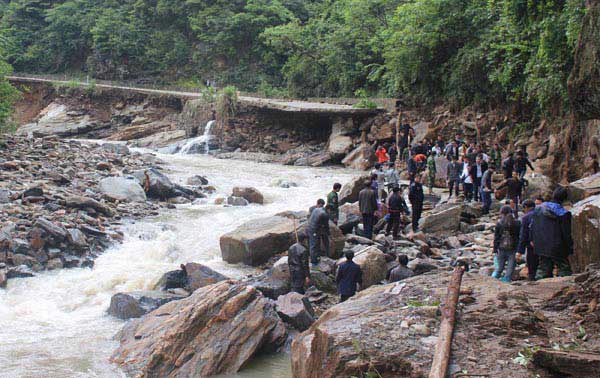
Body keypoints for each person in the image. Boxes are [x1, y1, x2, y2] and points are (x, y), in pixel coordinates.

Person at [530, 187, 573, 279]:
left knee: (543, 268)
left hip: (541, 244)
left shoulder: (538, 208)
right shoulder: (564, 214)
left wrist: (533, 240)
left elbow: (532, 226)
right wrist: (570, 246)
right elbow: (566, 233)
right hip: (558, 246)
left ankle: (539, 287)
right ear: (565, 199)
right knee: (564, 270)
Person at [492, 205, 522, 282]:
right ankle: (506, 280)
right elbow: (520, 237)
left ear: (502, 213)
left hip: (501, 247)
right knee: (510, 268)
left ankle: (493, 279)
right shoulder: (517, 223)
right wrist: (520, 249)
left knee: (499, 267)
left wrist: (495, 249)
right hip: (513, 248)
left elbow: (496, 238)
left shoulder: (499, 223)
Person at [518, 199, 537, 281]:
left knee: (532, 264)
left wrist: (520, 251)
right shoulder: (540, 214)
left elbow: (524, 235)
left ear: (526, 207)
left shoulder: (526, 217)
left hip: (531, 244)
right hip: (544, 243)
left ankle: (532, 280)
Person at [307, 199, 330, 266]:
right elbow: (326, 225)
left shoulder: (316, 209)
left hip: (310, 227)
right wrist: (328, 233)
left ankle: (316, 258)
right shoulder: (324, 214)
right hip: (314, 230)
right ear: (329, 209)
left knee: (315, 244)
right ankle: (314, 262)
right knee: (313, 245)